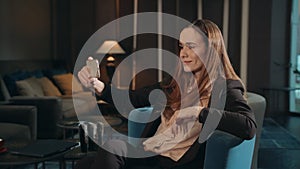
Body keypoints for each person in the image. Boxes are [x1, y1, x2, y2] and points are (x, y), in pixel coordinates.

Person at [75, 19, 256, 169]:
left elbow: (248, 126)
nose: (183, 53)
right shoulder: (175, 84)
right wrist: (99, 86)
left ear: (211, 49)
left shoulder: (225, 87)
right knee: (85, 163)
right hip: (149, 155)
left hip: (175, 163)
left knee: (111, 147)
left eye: (191, 47)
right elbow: (134, 97)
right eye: (181, 46)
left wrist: (199, 113)